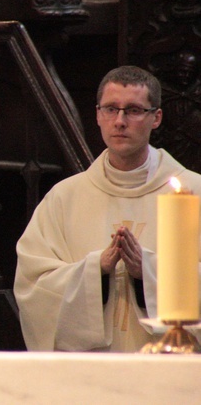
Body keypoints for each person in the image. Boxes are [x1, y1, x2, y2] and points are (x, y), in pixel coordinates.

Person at [14, 65, 201, 352]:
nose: (120, 121)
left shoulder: (193, 193)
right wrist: (96, 270)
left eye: (134, 110)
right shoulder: (65, 197)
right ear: (98, 115)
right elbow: (34, 286)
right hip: (90, 378)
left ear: (156, 118)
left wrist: (147, 271)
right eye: (111, 109)